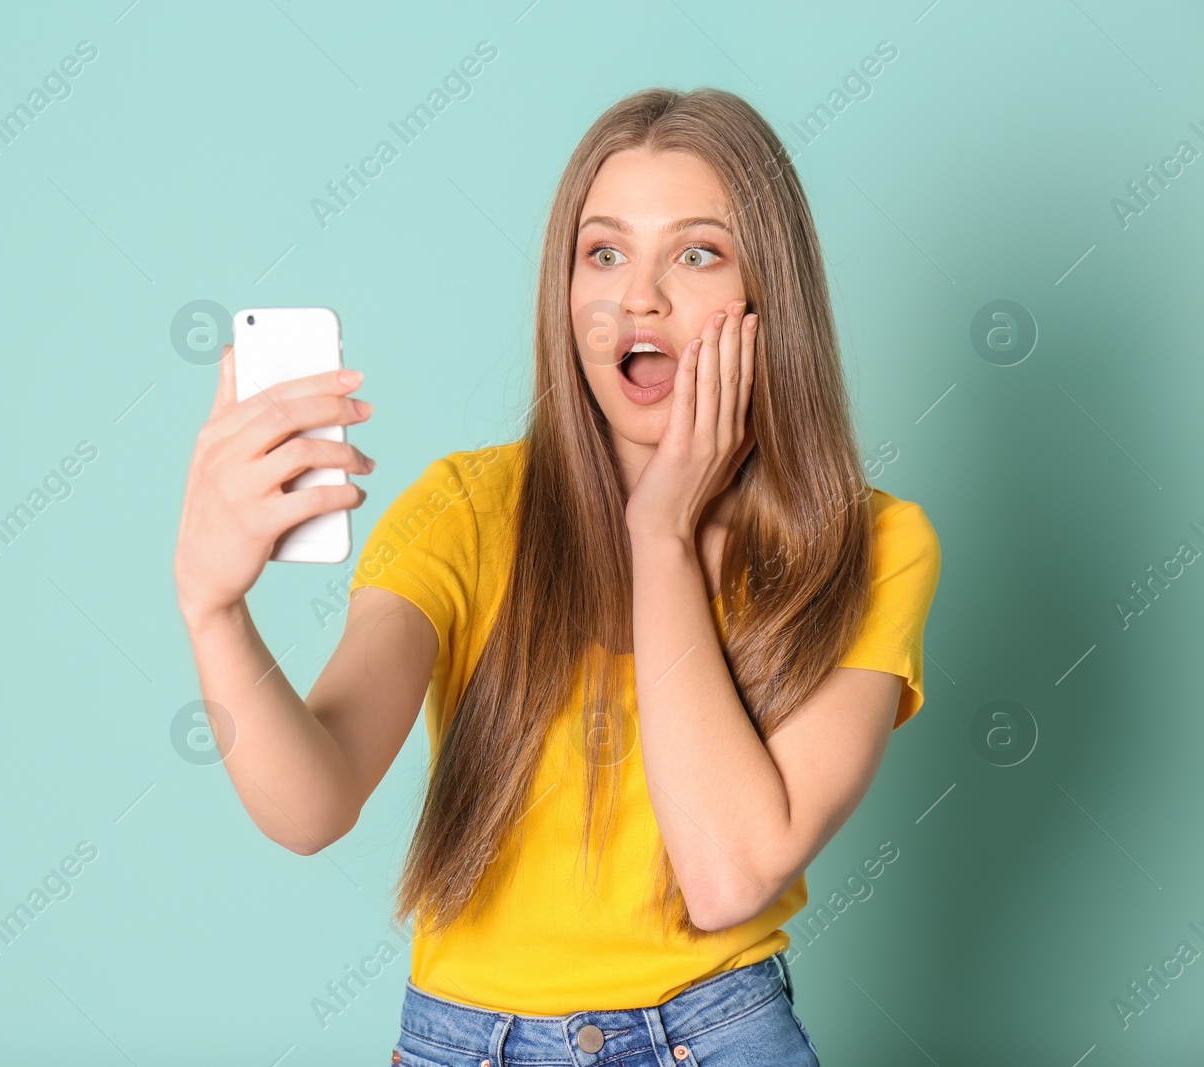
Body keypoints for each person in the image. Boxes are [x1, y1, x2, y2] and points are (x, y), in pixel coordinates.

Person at [174, 86, 941, 1065]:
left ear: (767, 296)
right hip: (464, 1042)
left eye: (697, 251)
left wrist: (659, 530)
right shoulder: (464, 508)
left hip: (714, 1034)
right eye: (604, 252)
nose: (639, 296)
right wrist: (213, 607)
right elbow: (310, 806)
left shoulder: (870, 546)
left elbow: (726, 873)